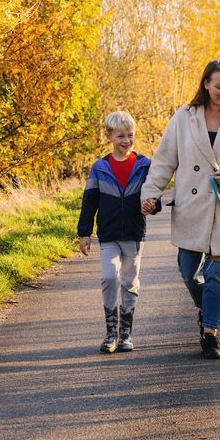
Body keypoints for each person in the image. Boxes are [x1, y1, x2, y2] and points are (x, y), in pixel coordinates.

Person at [141, 59, 220, 359]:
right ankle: (206, 309)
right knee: (188, 271)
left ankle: (210, 333)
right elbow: (164, 160)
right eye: (218, 85)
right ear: (206, 84)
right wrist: (151, 193)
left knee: (217, 274)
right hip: (190, 206)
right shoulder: (184, 117)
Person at [77, 111, 160, 353]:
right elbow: (89, 201)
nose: (126, 141)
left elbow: (155, 198)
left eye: (130, 135)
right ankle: (110, 333)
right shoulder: (100, 168)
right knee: (109, 277)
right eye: (120, 136)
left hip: (134, 234)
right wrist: (84, 233)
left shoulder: (144, 165)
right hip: (109, 234)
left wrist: (152, 205)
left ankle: (126, 334)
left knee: (130, 282)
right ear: (109, 137)